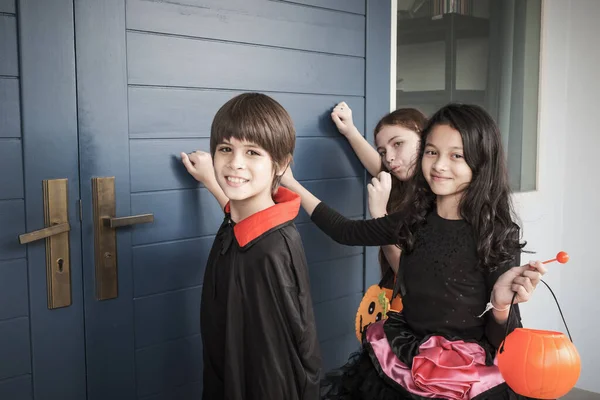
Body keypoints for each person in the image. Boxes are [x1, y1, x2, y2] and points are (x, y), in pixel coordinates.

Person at [281, 103, 547, 399]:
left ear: (481, 161)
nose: (439, 165)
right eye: (432, 152)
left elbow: (504, 341)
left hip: (467, 381)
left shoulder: (498, 233)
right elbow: (345, 231)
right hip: (404, 361)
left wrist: (500, 305)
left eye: (456, 155)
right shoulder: (414, 217)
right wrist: (290, 183)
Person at [180, 93, 321, 400]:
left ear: (281, 164)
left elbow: (274, 367)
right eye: (225, 149)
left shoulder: (270, 252)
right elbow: (235, 212)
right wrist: (209, 180)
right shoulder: (244, 223)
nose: (235, 164)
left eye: (253, 152)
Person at [331, 101, 426, 283]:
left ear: (424, 137)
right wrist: (350, 131)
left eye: (398, 143)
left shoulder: (436, 197)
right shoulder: (405, 183)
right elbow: (381, 167)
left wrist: (380, 215)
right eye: (383, 151)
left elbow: (407, 275)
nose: (389, 158)